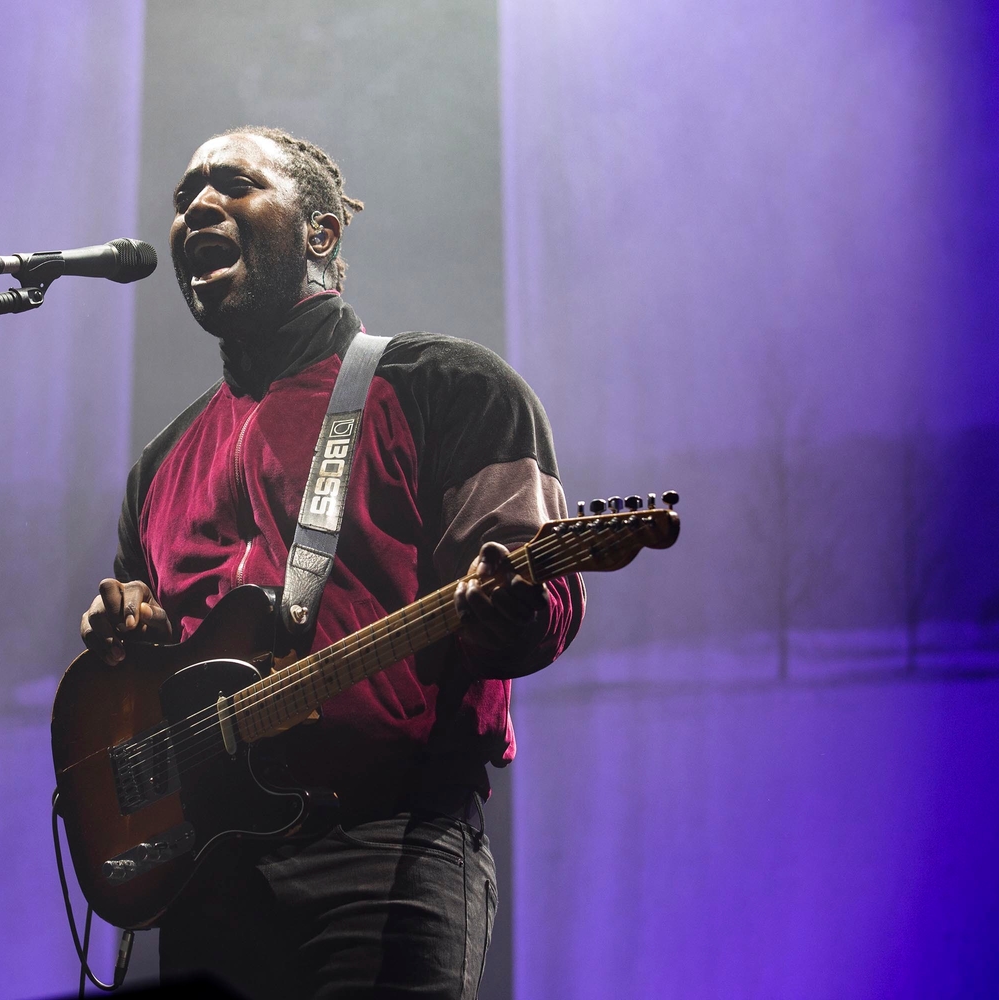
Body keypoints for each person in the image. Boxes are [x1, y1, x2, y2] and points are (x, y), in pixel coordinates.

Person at [79, 126, 584, 1000]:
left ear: (320, 232)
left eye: (234, 184)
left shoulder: (447, 387)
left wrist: (517, 605)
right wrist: (134, 637)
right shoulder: (158, 466)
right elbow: (149, 685)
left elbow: (540, 612)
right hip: (207, 882)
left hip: (385, 850)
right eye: (184, 194)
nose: (197, 203)